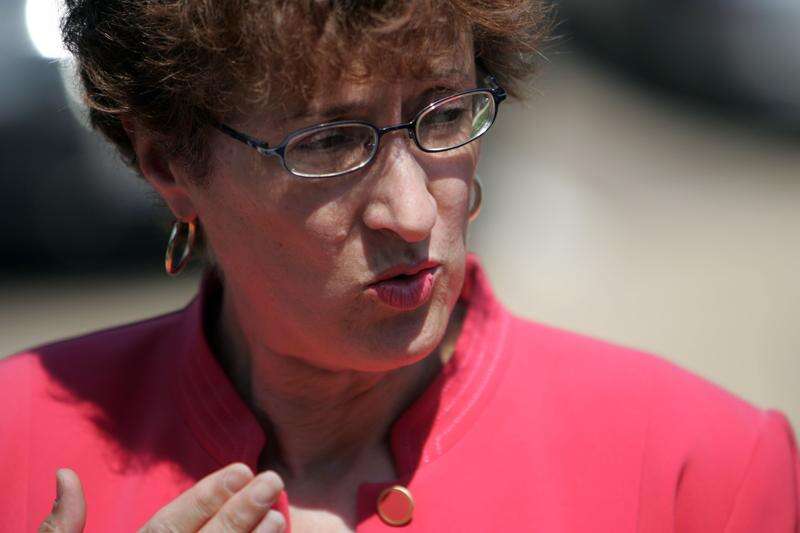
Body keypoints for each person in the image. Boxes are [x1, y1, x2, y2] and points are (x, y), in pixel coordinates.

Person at [1, 1, 798, 532]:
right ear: (169, 162)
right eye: (328, 142)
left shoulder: (702, 471)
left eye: (443, 115)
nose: (412, 212)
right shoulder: (18, 445)